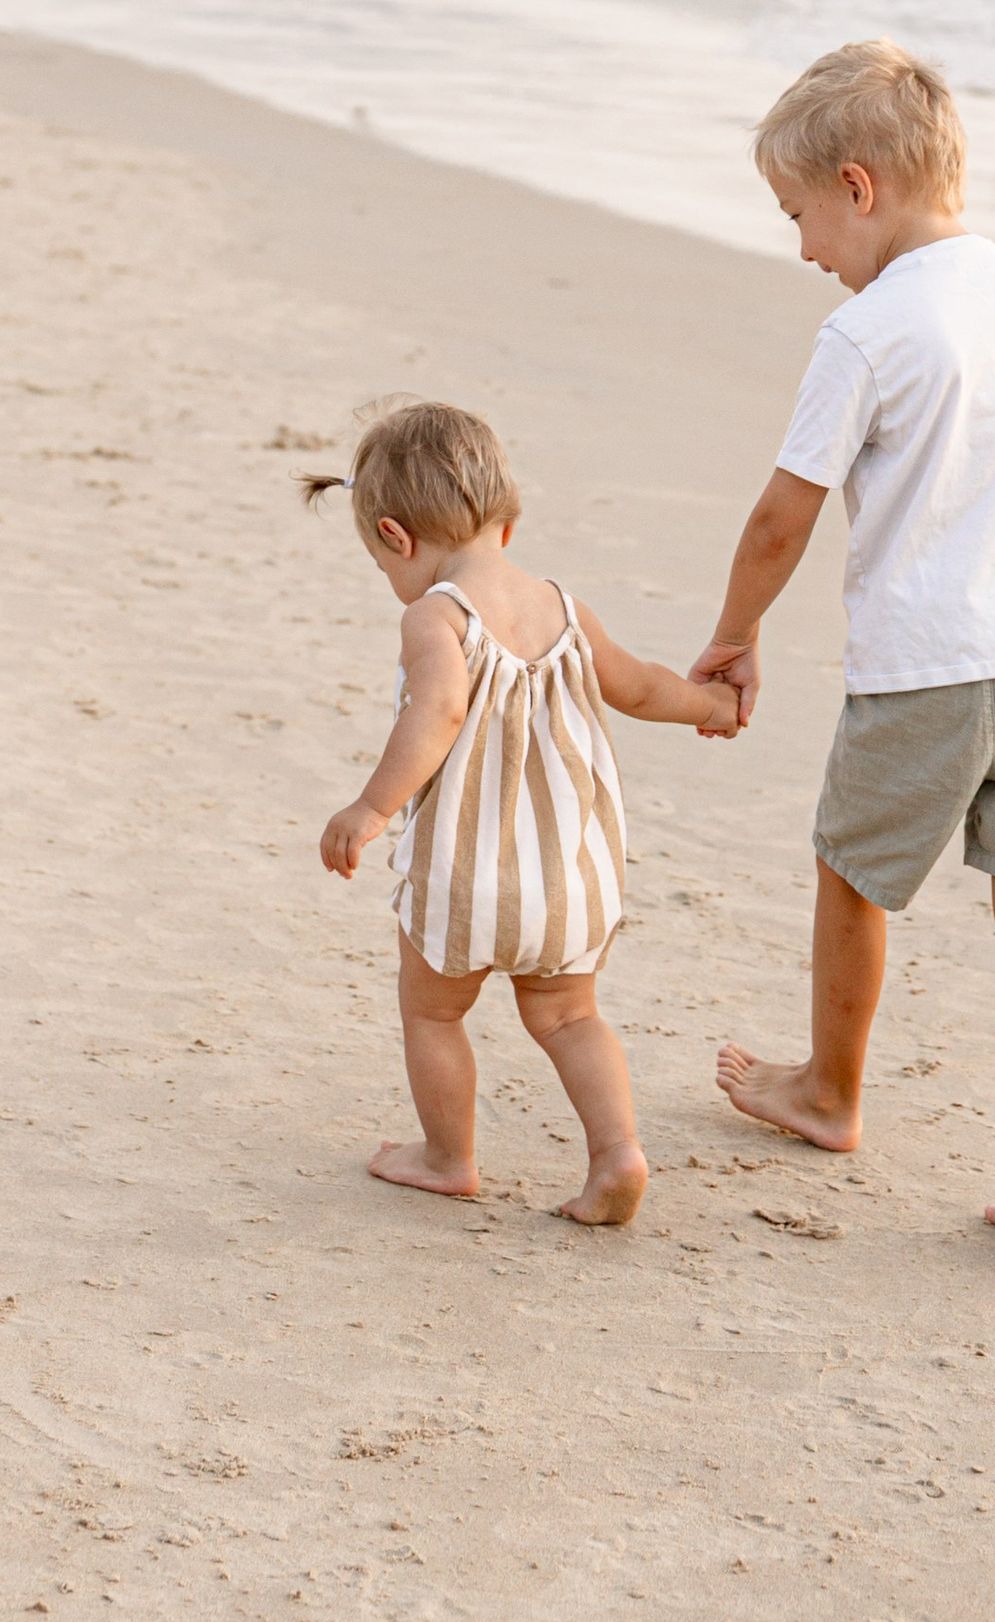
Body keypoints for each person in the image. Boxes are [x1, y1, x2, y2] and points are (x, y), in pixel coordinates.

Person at [690, 40, 995, 1248]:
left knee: (851, 870)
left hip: (934, 664)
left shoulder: (868, 331)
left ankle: (828, 1093)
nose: (803, 250)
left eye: (797, 217)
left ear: (857, 187)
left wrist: (733, 636)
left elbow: (783, 515)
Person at [312, 401, 740, 1228]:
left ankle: (447, 1158)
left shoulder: (435, 615)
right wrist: (711, 707)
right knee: (571, 1016)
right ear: (505, 523)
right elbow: (641, 686)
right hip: (569, 878)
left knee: (433, 1012)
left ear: (397, 538)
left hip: (465, 878)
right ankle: (617, 1153)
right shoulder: (563, 608)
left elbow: (439, 711)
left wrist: (370, 807)